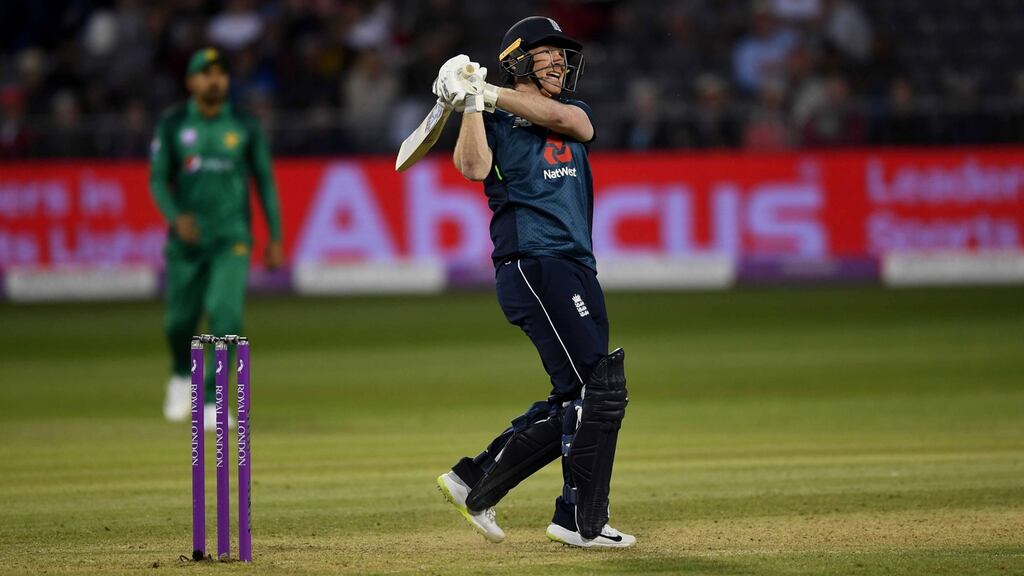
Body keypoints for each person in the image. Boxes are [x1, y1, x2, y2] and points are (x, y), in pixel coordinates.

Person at [432, 17, 635, 549]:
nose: (560, 63)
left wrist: (486, 90)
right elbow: (473, 168)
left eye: (563, 55)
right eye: (547, 53)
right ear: (518, 58)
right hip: (532, 263)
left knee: (581, 393)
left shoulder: (572, 112)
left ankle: (475, 479)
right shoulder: (493, 120)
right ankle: (578, 519)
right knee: (599, 389)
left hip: (576, 265)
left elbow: (578, 127)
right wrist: (472, 105)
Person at [150, 48, 283, 427]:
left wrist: (275, 237)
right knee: (179, 322)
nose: (214, 80)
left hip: (231, 238)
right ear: (191, 82)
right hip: (187, 242)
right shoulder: (174, 123)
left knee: (225, 315)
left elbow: (265, 182)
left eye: (221, 73)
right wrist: (176, 219)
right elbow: (158, 179)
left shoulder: (244, 124)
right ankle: (180, 374)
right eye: (205, 73)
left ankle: (211, 397)